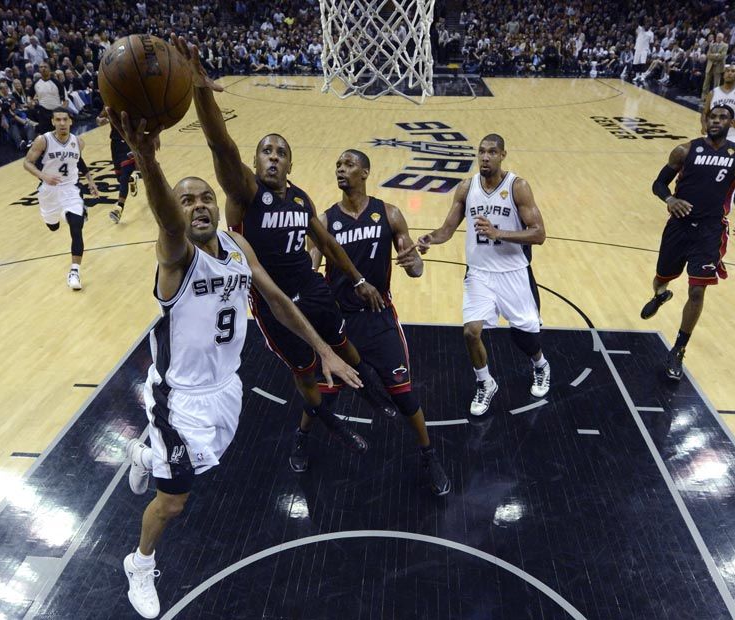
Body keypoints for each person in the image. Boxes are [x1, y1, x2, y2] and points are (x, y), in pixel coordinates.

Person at [108, 108, 362, 620]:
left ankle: (146, 455)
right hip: (178, 397)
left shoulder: (237, 245)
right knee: (174, 501)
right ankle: (140, 562)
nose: (199, 205)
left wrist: (325, 349)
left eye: (206, 197)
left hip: (226, 388)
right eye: (187, 200)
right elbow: (166, 219)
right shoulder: (176, 255)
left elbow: (279, 302)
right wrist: (148, 163)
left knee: (199, 465)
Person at [175, 35, 398, 468]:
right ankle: (325, 424)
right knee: (305, 371)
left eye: (281, 153)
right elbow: (221, 145)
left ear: (290, 165)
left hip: (311, 287)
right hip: (271, 299)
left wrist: (357, 279)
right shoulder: (245, 192)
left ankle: (371, 389)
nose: (273, 157)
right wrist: (202, 91)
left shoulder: (300, 198)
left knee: (345, 346)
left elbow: (328, 243)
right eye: (266, 151)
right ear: (256, 161)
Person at [309, 149, 450, 495]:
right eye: (338, 165)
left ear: (365, 172)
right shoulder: (325, 221)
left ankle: (429, 455)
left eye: (349, 165)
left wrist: (414, 262)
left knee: (404, 396)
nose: (341, 169)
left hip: (379, 320)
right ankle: (301, 437)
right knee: (322, 396)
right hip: (339, 323)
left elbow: (415, 268)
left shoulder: (389, 214)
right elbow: (310, 271)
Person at [415, 134, 549, 415]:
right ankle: (485, 382)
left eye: (492, 152)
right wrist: (429, 239)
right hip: (479, 274)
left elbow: (539, 234)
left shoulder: (518, 187)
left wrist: (498, 232)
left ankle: (540, 365)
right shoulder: (466, 188)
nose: (485, 157)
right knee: (471, 332)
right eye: (481, 152)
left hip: (513, 273)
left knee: (524, 337)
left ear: (502, 155)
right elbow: (447, 229)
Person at [640, 105, 735, 380]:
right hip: (679, 227)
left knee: (698, 291)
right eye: (712, 117)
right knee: (661, 277)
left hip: (710, 231)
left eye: (722, 117)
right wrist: (670, 199)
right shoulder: (685, 150)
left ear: (731, 123)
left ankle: (678, 348)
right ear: (705, 121)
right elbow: (658, 184)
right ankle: (661, 294)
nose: (715, 121)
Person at [22, 107, 98, 290]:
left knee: (76, 226)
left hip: (70, 189)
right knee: (53, 227)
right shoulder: (43, 140)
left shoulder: (78, 142)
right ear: (53, 122)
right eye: (58, 120)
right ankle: (61, 216)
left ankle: (74, 272)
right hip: (49, 191)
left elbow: (79, 161)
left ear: (71, 121)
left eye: (65, 119)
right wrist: (43, 176)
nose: (62, 123)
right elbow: (27, 162)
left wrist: (90, 181)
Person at [97, 111, 140, 223]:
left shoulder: (131, 104)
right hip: (115, 144)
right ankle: (133, 178)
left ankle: (119, 208)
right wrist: (100, 120)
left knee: (124, 175)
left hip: (128, 140)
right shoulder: (109, 104)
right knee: (120, 178)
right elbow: (99, 118)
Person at [702, 64, 735, 144]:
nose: (729, 73)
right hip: (713, 133)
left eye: (733, 71)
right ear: (724, 74)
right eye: (727, 71)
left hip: (731, 135)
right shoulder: (713, 93)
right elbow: (705, 113)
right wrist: (704, 125)